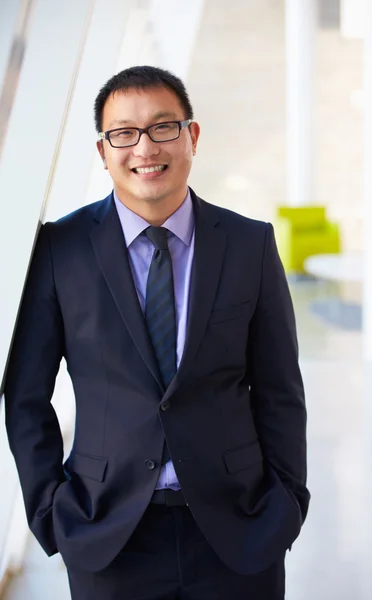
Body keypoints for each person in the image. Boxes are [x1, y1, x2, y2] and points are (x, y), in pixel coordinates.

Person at [4, 65, 310, 600]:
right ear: (103, 151)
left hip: (238, 530)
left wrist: (286, 505)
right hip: (107, 533)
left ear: (191, 136)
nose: (144, 147)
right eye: (123, 132)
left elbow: (281, 389)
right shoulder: (60, 249)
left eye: (162, 127)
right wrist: (50, 509)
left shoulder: (249, 245)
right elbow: (26, 395)